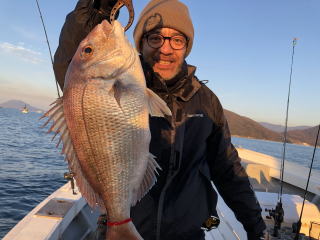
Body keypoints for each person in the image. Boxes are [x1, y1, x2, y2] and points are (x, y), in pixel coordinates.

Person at [54, 0, 268, 239]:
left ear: (186, 46)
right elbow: (70, 66)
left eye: (177, 40)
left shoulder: (207, 102)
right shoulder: (105, 79)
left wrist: (256, 227)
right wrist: (93, 12)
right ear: (141, 42)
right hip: (125, 224)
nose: (165, 49)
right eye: (155, 38)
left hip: (187, 234)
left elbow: (228, 170)